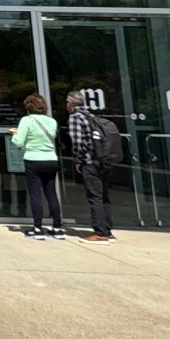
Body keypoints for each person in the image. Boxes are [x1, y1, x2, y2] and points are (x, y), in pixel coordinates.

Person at [64, 90, 116, 242]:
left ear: (70, 103)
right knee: (104, 197)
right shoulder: (92, 116)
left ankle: (99, 233)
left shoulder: (75, 117)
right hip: (104, 161)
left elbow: (77, 142)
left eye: (67, 103)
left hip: (90, 162)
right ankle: (107, 231)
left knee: (95, 197)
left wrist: (78, 160)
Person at [15, 94, 64, 238]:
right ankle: (57, 228)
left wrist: (14, 135)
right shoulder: (52, 121)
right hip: (51, 159)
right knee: (51, 194)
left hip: (33, 159)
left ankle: (37, 228)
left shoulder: (26, 120)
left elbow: (19, 141)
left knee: (35, 195)